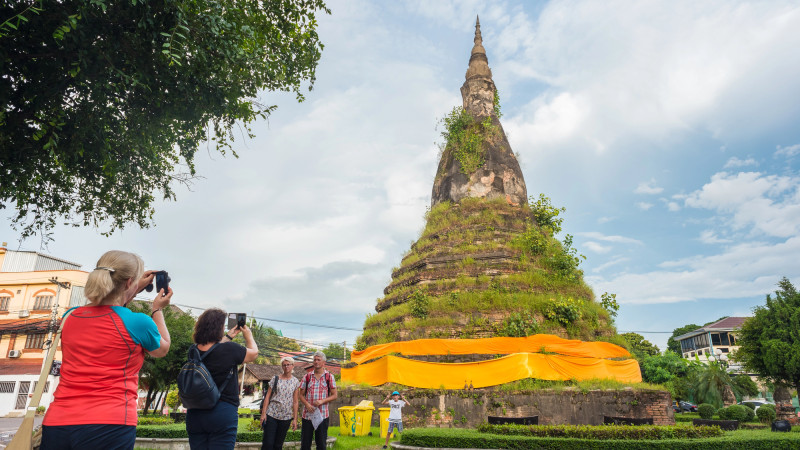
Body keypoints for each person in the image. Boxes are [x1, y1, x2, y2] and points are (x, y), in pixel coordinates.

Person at [41, 250, 173, 450]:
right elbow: (162, 349)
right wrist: (157, 309)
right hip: (110, 422)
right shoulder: (138, 322)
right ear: (129, 282)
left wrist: (130, 289)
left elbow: (105, 310)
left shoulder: (69, 317)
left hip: (58, 422)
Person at [185, 308, 258, 449]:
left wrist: (228, 336)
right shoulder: (230, 349)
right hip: (222, 410)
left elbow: (212, 350)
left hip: (195, 412)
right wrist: (248, 335)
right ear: (218, 329)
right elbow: (254, 353)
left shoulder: (193, 350)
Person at [299, 351, 338, 450]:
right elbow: (300, 395)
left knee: (321, 445)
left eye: (318, 360)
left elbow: (334, 395)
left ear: (324, 362)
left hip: (322, 416)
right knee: (305, 445)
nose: (316, 362)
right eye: (314, 360)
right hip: (307, 416)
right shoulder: (307, 377)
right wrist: (307, 404)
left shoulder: (329, 377)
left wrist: (322, 401)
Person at [260, 356, 301, 450]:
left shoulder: (295, 381)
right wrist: (263, 414)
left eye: (288, 365)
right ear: (282, 367)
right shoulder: (275, 379)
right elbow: (267, 397)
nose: (286, 367)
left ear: (292, 366)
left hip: (286, 417)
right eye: (284, 365)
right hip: (272, 414)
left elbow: (295, 401)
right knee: (268, 443)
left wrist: (295, 419)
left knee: (278, 445)